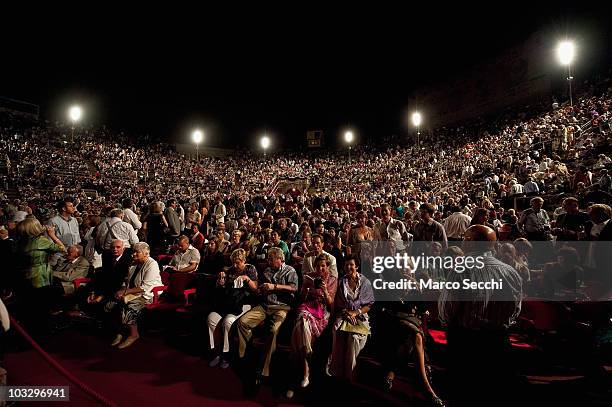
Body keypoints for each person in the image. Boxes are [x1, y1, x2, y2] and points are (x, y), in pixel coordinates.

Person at [438, 225, 523, 406]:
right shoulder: (510, 271)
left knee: (465, 391)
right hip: (499, 339)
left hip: (467, 340)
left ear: (469, 243)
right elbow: (516, 309)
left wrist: (448, 327)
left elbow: (448, 307)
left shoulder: (462, 269)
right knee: (493, 391)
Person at [236, 247, 298, 384]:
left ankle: (263, 370)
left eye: (271, 258)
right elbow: (259, 290)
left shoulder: (290, 270)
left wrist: (274, 287)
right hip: (265, 306)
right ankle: (246, 355)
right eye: (268, 258)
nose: (268, 261)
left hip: (281, 307)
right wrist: (258, 288)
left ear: (279, 259)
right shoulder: (267, 271)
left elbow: (294, 288)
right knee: (243, 322)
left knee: (273, 330)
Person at [290, 254, 337, 391]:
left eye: (323, 266)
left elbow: (331, 304)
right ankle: (306, 367)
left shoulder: (333, 279)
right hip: (308, 307)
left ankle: (307, 366)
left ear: (327, 267)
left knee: (302, 327)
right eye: (318, 266)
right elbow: (302, 298)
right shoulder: (309, 276)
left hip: (323, 310)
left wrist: (325, 290)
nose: (320, 268)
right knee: (302, 323)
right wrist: (306, 288)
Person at [207, 249, 258, 369]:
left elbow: (256, 289)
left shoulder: (250, 269)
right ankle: (215, 352)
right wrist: (220, 282)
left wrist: (247, 279)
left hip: (243, 304)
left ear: (244, 261)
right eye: (233, 262)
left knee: (227, 322)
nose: (235, 265)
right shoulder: (229, 270)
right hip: (227, 303)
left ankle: (226, 355)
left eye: (238, 263)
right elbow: (221, 289)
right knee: (211, 319)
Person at [327, 254, 375, 380]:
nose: (349, 267)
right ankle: (336, 369)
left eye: (352, 265)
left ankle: (350, 372)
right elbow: (338, 303)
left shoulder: (365, 282)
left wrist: (356, 312)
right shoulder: (341, 282)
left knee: (354, 337)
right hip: (343, 313)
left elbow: (368, 305)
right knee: (337, 328)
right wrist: (347, 313)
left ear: (357, 266)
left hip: (360, 315)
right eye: (347, 265)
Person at [109, 242, 162, 349]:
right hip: (131, 292)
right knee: (113, 303)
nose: (133, 254)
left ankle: (133, 334)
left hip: (149, 294)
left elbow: (145, 287)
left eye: (137, 252)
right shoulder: (133, 263)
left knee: (130, 306)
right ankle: (121, 331)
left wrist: (125, 292)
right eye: (133, 252)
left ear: (146, 254)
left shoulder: (152, 264)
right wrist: (122, 290)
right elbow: (126, 281)